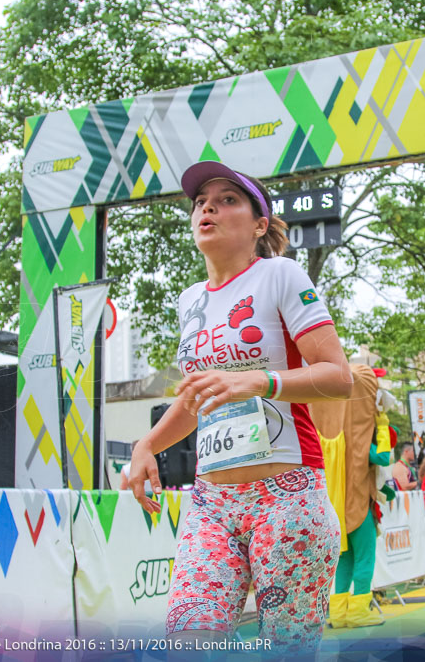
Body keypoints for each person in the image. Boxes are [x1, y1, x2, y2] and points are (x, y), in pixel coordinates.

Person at [123, 161, 352, 653]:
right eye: (202, 201)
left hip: (287, 498)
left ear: (259, 224)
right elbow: (195, 397)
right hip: (211, 503)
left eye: (228, 199)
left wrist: (260, 381)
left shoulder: (281, 275)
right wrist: (148, 444)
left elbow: (338, 378)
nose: (208, 207)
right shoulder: (189, 301)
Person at [311, 364, 392, 629]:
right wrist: (381, 426)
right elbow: (382, 457)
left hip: (334, 511)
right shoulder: (360, 443)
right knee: (365, 559)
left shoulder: (330, 441)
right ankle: (358, 611)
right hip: (359, 507)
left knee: (343, 561)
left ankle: (339, 613)